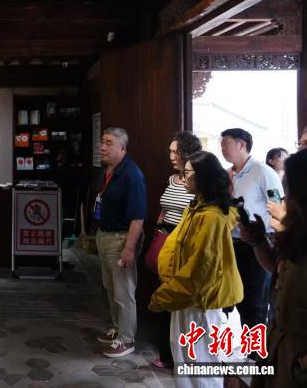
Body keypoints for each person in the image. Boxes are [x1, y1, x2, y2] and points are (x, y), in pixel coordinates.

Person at [149, 151, 243, 388]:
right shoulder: (196, 209)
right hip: (187, 298)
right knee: (187, 364)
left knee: (199, 369)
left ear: (203, 178)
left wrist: (164, 296)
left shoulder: (210, 218)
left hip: (200, 302)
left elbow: (200, 269)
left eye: (188, 173)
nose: (183, 178)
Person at [240, 149, 307, 388]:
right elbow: (276, 268)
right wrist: (259, 241)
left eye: (290, 190)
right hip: (279, 351)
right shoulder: (298, 233)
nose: (285, 199)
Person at [220, 128, 283, 335]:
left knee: (256, 303)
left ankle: (257, 350)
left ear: (242, 145)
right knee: (236, 299)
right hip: (232, 245)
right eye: (221, 144)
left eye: (226, 144)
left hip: (257, 246)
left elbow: (277, 207)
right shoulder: (227, 174)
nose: (223, 148)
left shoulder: (262, 171)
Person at [150, 131, 201, 369]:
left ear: (187, 153)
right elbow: (164, 209)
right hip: (166, 240)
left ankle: (181, 355)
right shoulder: (171, 180)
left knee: (179, 298)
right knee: (163, 293)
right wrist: (159, 231)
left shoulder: (198, 182)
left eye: (175, 152)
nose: (171, 156)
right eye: (170, 151)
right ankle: (166, 352)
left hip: (185, 244)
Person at [94, 127, 147, 358]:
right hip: (104, 235)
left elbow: (138, 217)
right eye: (102, 142)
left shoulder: (131, 175)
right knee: (110, 287)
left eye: (109, 143)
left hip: (121, 239)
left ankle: (127, 339)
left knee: (124, 292)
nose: (103, 147)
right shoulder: (108, 170)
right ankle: (118, 328)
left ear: (122, 148)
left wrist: (129, 249)